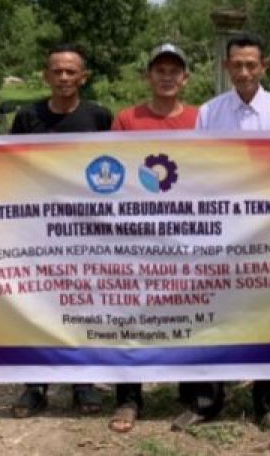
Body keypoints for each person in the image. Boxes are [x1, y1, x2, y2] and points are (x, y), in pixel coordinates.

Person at [175, 32, 270, 432]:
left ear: (264, 66)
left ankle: (265, 400)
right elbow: (199, 168)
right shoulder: (210, 113)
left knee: (266, 311)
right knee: (217, 311)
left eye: (251, 64)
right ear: (227, 67)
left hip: (266, 230)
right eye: (237, 65)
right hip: (222, 231)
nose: (244, 72)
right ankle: (209, 399)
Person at [8, 45, 113, 419]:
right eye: (58, 71)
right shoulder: (27, 117)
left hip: (86, 230)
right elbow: (8, 167)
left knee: (82, 305)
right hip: (38, 229)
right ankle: (34, 386)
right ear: (46, 76)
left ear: (83, 76)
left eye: (72, 72)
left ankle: (83, 382)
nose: (64, 78)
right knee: (38, 305)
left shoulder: (99, 117)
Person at [107, 42, 197, 433]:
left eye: (174, 70)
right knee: (133, 313)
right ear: (149, 76)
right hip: (138, 235)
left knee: (190, 309)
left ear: (185, 78)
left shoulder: (201, 118)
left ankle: (192, 391)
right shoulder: (127, 119)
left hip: (188, 235)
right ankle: (128, 398)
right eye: (159, 69)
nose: (166, 76)